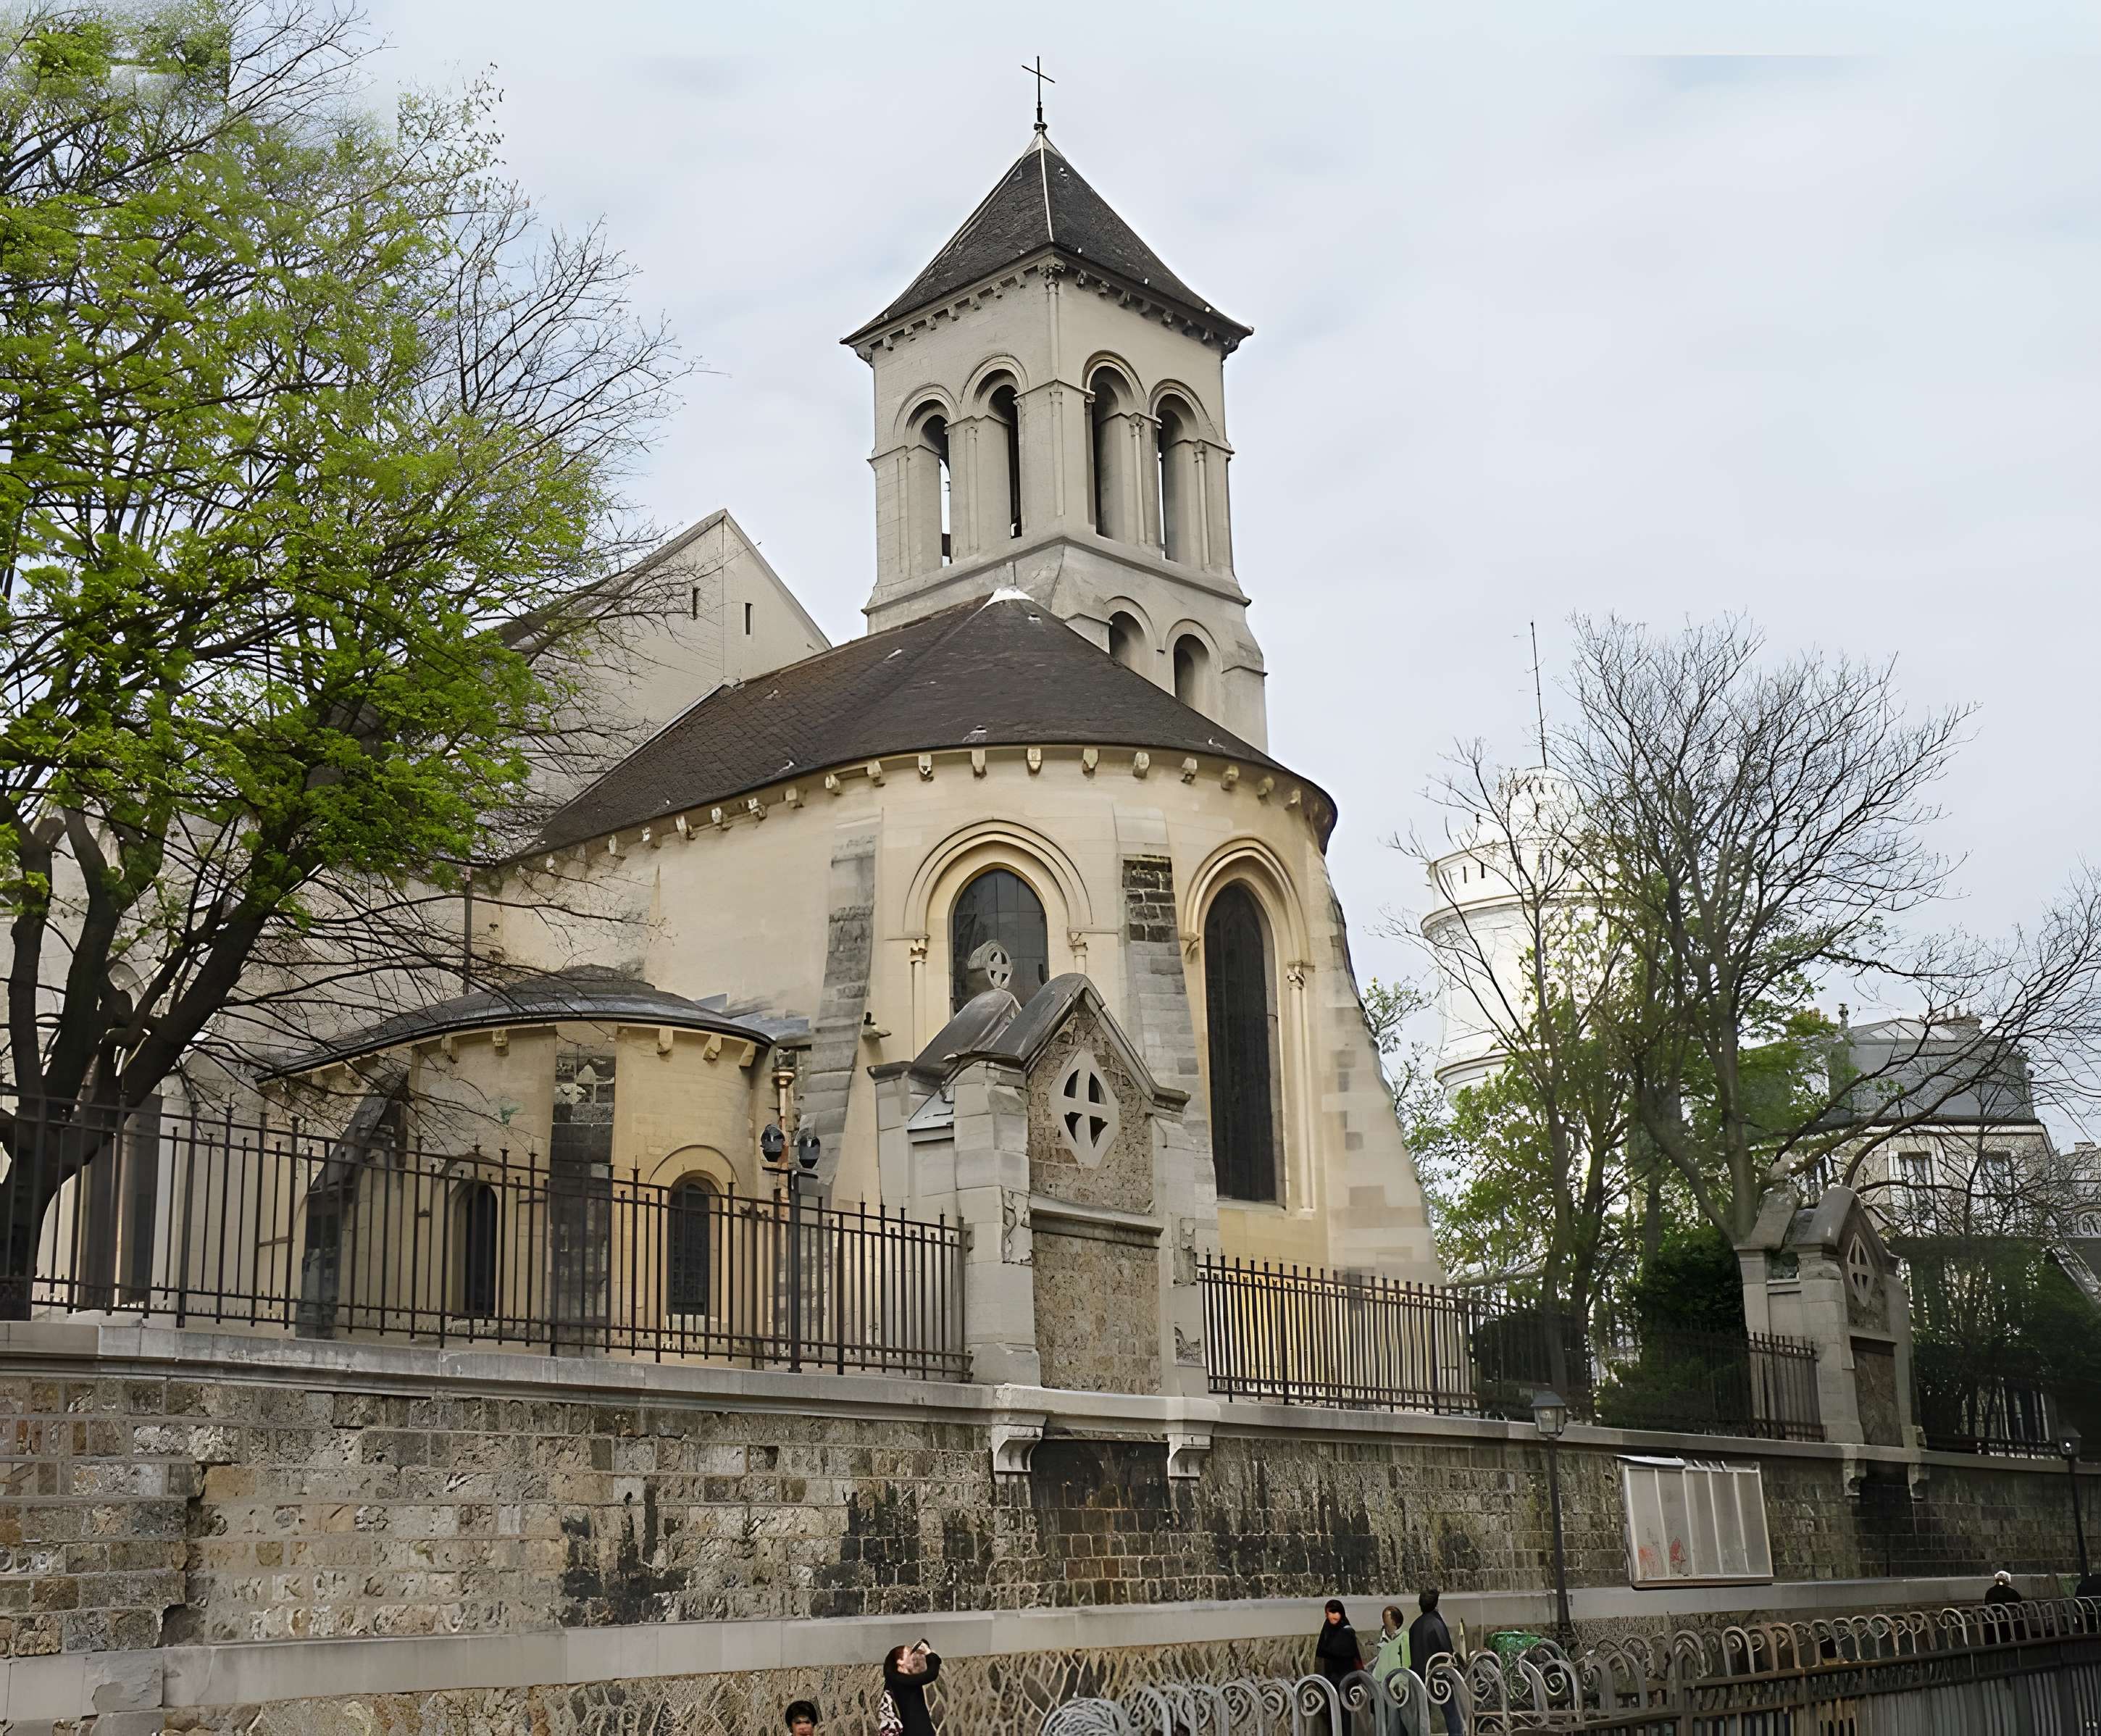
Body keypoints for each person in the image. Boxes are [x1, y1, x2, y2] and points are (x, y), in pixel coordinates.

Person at [1408, 1590, 1463, 1736]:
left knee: (1424, 1715)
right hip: (1438, 1676)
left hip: (1419, 1675)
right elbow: (1445, 1650)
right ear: (1436, 1604)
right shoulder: (1437, 1623)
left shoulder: (1414, 1626)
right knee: (1450, 1711)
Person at [1370, 1607, 1420, 1736]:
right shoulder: (1384, 1639)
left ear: (1395, 1621)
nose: (1385, 1622)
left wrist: (1402, 1683)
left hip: (1400, 1686)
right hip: (1385, 1687)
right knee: (1390, 1723)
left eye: (1387, 1619)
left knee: (1403, 1722)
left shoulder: (1404, 1638)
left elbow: (1406, 1662)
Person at [880, 1641, 941, 1736]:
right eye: (910, 1654)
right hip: (917, 1731)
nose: (914, 1657)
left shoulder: (896, 1679)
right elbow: (931, 1674)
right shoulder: (900, 1680)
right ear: (900, 1661)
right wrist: (928, 1653)